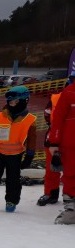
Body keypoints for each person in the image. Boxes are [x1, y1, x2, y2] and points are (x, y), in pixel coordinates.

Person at [0, 85, 37, 212]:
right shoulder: (1, 116)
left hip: (16, 154)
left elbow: (32, 139)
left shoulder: (30, 120)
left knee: (13, 180)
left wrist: (29, 155)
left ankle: (11, 201)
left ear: (24, 101)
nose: (12, 104)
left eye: (16, 101)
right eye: (10, 102)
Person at [37, 73, 74, 205]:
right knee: (52, 168)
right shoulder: (56, 98)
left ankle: (68, 195)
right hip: (54, 138)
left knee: (68, 170)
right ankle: (51, 194)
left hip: (67, 138)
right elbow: (48, 115)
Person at [48, 71, 75, 224]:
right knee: (71, 175)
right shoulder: (69, 93)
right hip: (70, 144)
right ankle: (72, 210)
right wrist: (54, 142)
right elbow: (57, 119)